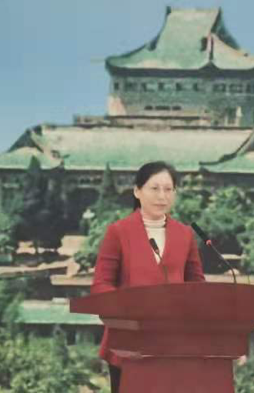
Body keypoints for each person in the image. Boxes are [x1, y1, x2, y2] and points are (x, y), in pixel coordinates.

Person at [91, 161, 205, 393]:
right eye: (154, 188)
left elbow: (197, 286)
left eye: (168, 189)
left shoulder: (185, 234)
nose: (162, 196)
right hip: (128, 342)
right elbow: (101, 285)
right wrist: (128, 309)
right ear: (137, 191)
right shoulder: (118, 232)